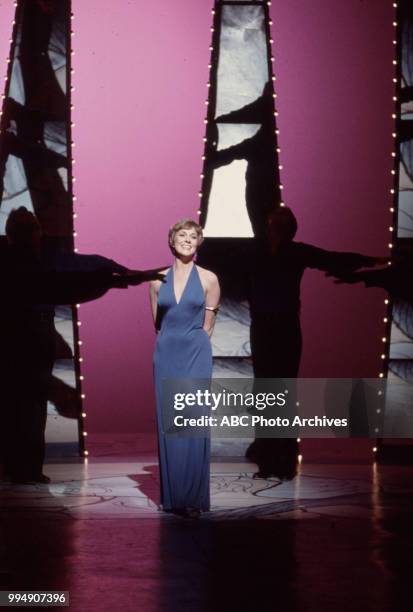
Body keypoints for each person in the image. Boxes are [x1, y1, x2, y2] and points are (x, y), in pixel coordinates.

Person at [0, 207, 165, 484]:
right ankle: (22, 467)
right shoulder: (31, 263)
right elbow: (83, 272)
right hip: (24, 332)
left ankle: (22, 467)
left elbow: (85, 268)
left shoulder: (41, 260)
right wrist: (121, 276)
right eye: (26, 230)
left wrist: (121, 276)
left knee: (23, 400)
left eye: (31, 229)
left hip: (30, 331)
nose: (31, 235)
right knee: (25, 401)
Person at [247, 206, 385, 479]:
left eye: (280, 225)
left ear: (287, 230)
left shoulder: (292, 252)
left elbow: (330, 258)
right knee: (266, 387)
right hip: (264, 326)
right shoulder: (258, 253)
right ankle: (268, 452)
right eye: (274, 224)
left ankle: (280, 455)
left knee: (282, 387)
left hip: (283, 326)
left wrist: (367, 261)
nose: (276, 229)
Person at [149, 219, 220, 517]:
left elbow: (209, 324)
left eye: (194, 236)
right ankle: (175, 497)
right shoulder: (156, 280)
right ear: (171, 240)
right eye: (182, 235)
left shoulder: (208, 279)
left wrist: (194, 343)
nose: (188, 239)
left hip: (195, 353)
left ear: (199, 243)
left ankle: (192, 495)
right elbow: (157, 323)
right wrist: (172, 342)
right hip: (166, 354)